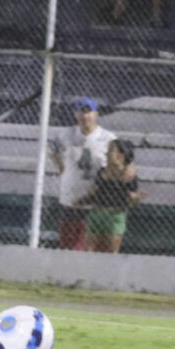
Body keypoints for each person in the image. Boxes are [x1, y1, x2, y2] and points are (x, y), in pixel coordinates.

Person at [50, 97, 116, 251]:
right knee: (68, 241)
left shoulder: (108, 138)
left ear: (96, 114)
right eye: (80, 112)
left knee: (90, 241)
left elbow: (114, 163)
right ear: (75, 114)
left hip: (95, 197)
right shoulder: (66, 134)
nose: (84, 116)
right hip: (70, 195)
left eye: (88, 112)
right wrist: (63, 170)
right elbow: (53, 151)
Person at [75, 139, 145, 253]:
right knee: (88, 250)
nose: (107, 154)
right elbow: (94, 193)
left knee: (110, 252)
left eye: (111, 151)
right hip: (97, 213)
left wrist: (135, 198)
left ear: (120, 155)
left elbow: (132, 200)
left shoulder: (129, 176)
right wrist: (81, 200)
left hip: (115, 215)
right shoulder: (102, 172)